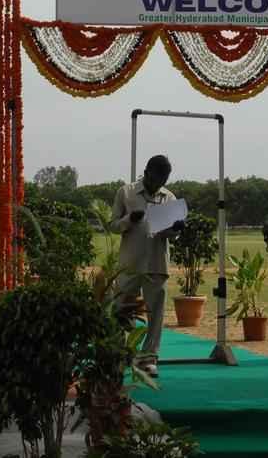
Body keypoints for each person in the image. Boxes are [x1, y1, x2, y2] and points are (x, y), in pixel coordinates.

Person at [110, 154, 184, 378]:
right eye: (155, 179)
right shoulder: (126, 192)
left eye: (163, 180)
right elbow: (113, 225)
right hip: (129, 264)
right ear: (146, 173)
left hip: (156, 263)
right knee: (121, 310)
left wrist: (176, 229)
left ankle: (149, 359)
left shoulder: (169, 197)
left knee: (156, 314)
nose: (158, 184)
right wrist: (129, 220)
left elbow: (172, 235)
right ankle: (121, 355)